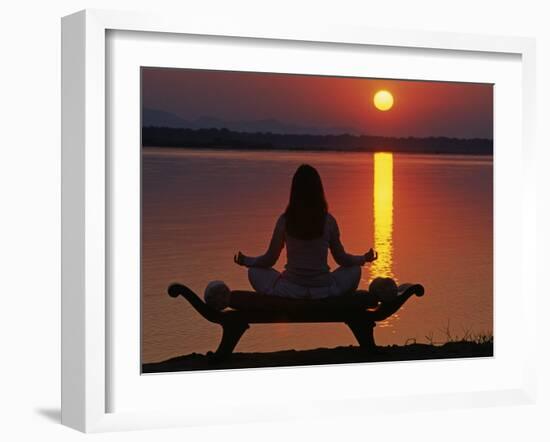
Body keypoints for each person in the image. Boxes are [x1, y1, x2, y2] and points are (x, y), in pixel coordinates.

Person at [233, 164, 378, 300]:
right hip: (323, 289)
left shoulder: (285, 220)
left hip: (291, 289)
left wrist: (247, 261)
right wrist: (363, 259)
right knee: (354, 270)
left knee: (254, 271)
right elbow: (342, 259)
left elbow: (269, 259)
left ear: (294, 191)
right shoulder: (328, 221)